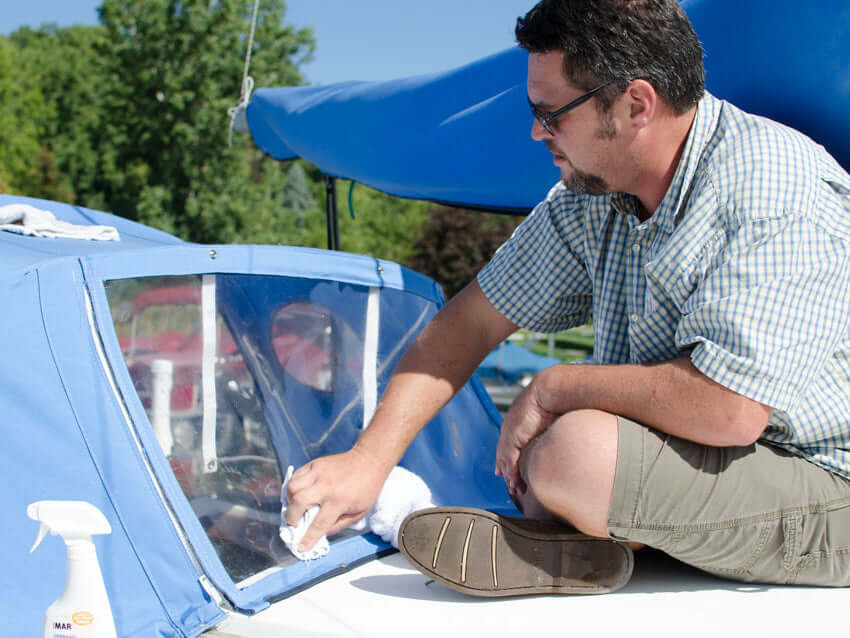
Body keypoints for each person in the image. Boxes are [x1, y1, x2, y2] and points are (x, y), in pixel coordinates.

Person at [286, 0, 850, 594]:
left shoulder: (772, 190)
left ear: (636, 105)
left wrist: (555, 386)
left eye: (550, 114)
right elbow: (468, 325)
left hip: (826, 483)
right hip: (719, 467)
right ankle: (596, 541)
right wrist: (368, 463)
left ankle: (593, 536)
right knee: (548, 460)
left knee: (570, 454)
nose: (536, 132)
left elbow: (730, 410)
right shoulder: (592, 196)